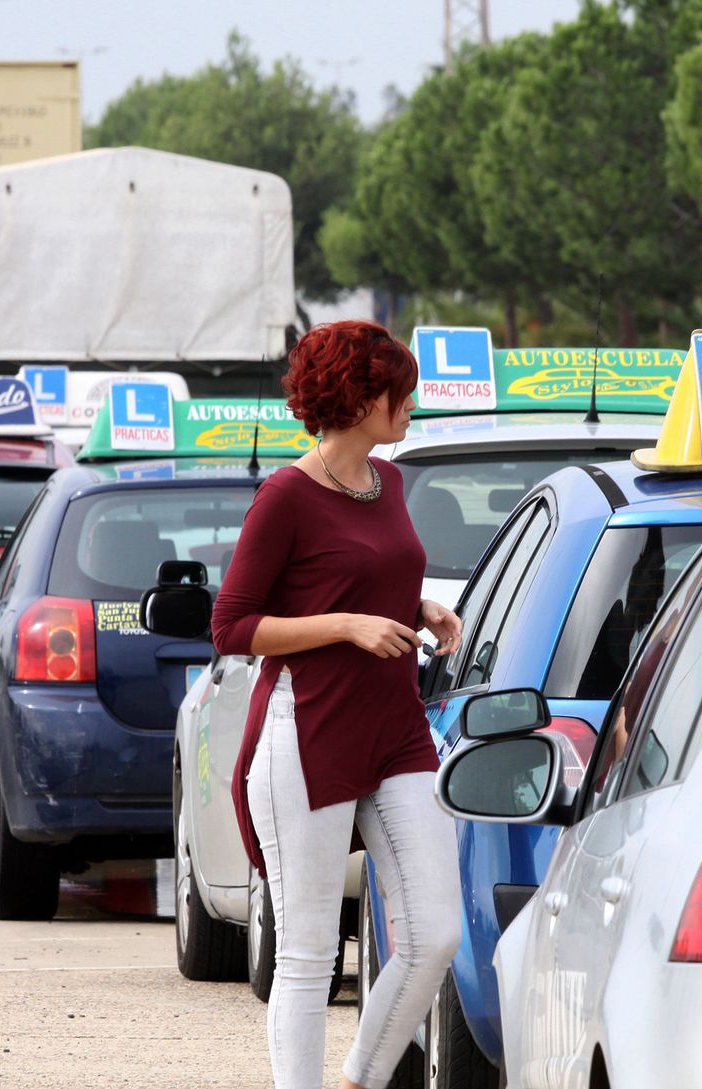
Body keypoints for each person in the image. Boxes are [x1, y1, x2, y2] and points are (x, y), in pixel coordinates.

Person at [211, 320, 464, 1089]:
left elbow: (355, 569)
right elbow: (232, 626)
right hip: (306, 731)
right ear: (360, 398)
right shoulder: (286, 494)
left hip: (395, 729)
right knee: (310, 952)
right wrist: (348, 625)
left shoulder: (386, 481)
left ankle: (356, 1079)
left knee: (434, 934)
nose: (411, 403)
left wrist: (417, 606)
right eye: (401, 390)